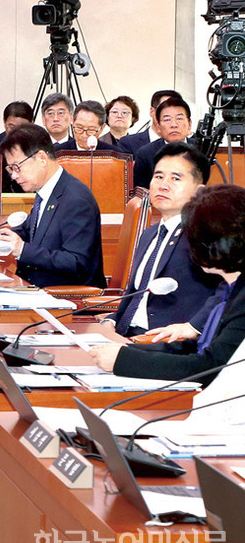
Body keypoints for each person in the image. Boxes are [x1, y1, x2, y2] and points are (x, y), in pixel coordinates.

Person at [91, 184, 245, 384]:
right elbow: (196, 348)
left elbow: (212, 367)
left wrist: (124, 361)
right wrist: (125, 350)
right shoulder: (230, 289)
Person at [105, 144, 221, 337]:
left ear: (199, 191)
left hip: (165, 343)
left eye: (176, 178)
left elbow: (232, 286)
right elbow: (135, 297)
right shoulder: (149, 234)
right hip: (124, 335)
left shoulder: (205, 233)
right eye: (158, 176)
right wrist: (111, 320)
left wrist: (194, 327)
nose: (163, 185)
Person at [0, 124, 105, 288]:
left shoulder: (76, 199)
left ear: (41, 158)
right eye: (11, 169)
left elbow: (76, 262)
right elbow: (32, 231)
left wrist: (23, 250)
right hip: (36, 287)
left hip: (64, 296)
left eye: (17, 167)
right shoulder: (46, 190)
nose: (14, 176)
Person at [134, 96, 195, 189]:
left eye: (179, 118)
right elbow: (141, 191)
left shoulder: (202, 149)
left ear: (189, 124)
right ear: (158, 127)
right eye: (167, 119)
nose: (174, 125)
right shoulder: (145, 153)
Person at [118, 89, 181, 155]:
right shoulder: (129, 143)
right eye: (164, 109)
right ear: (152, 111)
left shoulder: (190, 144)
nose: (170, 116)